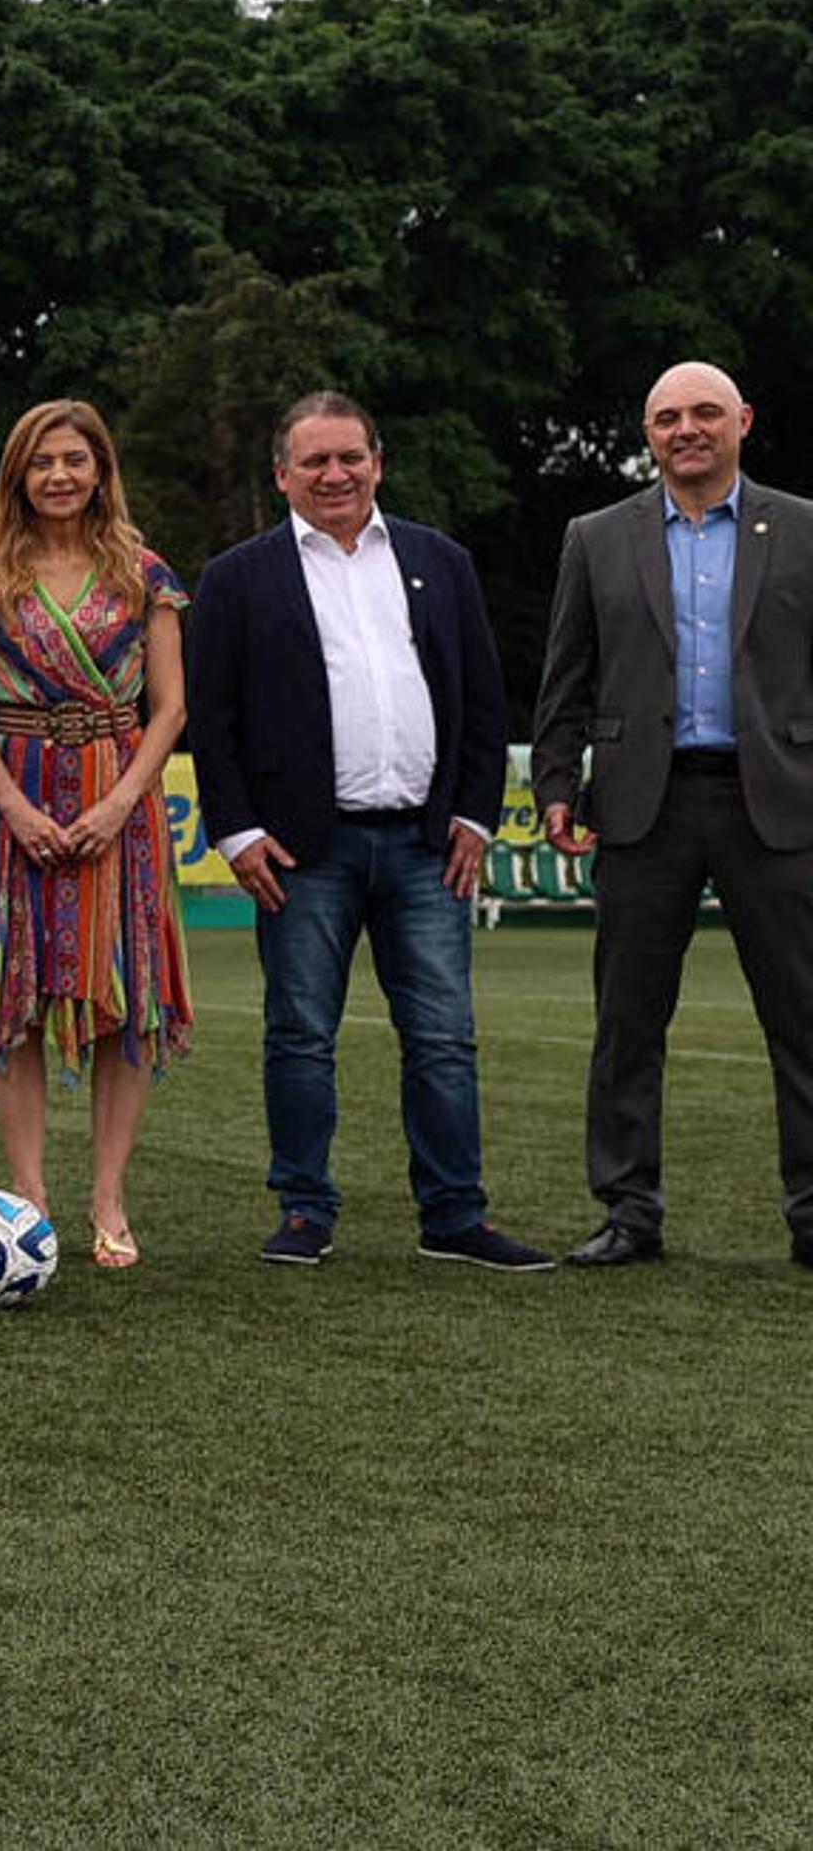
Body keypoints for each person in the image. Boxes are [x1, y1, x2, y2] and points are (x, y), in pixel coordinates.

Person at [192, 393, 550, 1273]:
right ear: (282, 475)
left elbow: (481, 694)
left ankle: (455, 1216)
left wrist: (472, 810)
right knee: (302, 1032)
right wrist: (235, 831)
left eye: (349, 457)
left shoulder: (441, 561)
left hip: (427, 843)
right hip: (303, 850)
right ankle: (306, 1209)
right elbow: (213, 713)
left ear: (377, 463)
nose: (334, 474)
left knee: (442, 1036)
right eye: (313, 461)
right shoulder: (239, 576)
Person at [532, 359, 813, 1269]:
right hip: (641, 805)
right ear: (647, 434)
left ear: (743, 420)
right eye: (665, 417)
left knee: (803, 1018)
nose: (685, 429)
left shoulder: (804, 530)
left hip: (777, 801)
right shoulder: (595, 536)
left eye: (703, 413)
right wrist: (556, 785)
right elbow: (565, 677)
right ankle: (628, 1211)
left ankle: (812, 1213)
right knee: (627, 1020)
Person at [0, 398, 191, 1268]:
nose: (58, 475)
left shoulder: (143, 572)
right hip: (17, 796)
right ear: (19, 473)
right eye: (42, 461)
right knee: (16, 996)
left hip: (118, 799)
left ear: (100, 470)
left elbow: (170, 707)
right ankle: (30, 1198)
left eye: (74, 460)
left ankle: (109, 1198)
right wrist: (12, 805)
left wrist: (121, 801)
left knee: (125, 994)